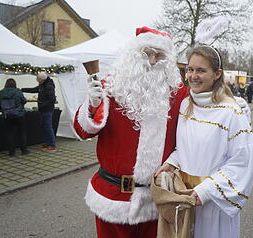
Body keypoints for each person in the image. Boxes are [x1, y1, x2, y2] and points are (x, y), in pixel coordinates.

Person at [73, 27, 188, 238]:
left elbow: (198, 129)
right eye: (147, 53)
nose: (153, 61)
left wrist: (231, 107)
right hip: (112, 199)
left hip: (157, 200)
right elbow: (83, 131)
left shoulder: (179, 94)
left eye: (159, 55)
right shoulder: (109, 87)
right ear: (134, 53)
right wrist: (92, 105)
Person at [155, 45, 253, 238]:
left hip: (212, 202)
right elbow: (185, 147)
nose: (193, 76)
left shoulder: (231, 112)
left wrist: (207, 191)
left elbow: (242, 162)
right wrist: (171, 162)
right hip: (184, 197)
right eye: (190, 70)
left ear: (217, 73)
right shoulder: (186, 105)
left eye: (201, 70)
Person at [21, 72, 56, 150]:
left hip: (47, 110)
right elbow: (34, 89)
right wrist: (22, 89)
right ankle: (47, 143)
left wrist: (42, 104)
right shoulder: (42, 85)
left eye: (37, 79)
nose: (37, 80)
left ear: (42, 79)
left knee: (48, 127)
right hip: (43, 110)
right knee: (44, 127)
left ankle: (52, 144)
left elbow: (52, 99)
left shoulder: (49, 86)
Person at [0, 78, 29, 156]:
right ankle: (24, 150)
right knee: (22, 133)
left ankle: (12, 152)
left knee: (9, 133)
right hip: (19, 115)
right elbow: (24, 101)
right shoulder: (18, 92)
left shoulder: (1, 93)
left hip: (7, 116)